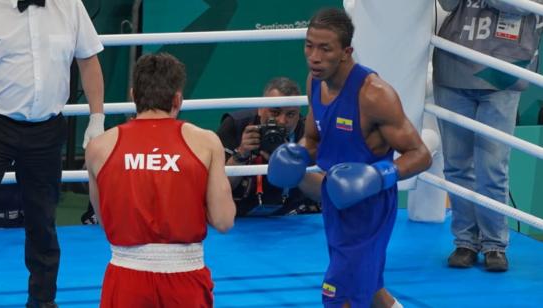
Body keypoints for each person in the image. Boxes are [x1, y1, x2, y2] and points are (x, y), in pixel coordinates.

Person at [267, 8, 432, 308]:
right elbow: (315, 138)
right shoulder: (315, 81)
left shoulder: (374, 95)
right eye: (309, 45)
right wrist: (300, 152)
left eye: (325, 48)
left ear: (346, 52)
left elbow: (420, 155)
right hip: (334, 199)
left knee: (337, 293)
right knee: (369, 290)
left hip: (370, 207)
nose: (314, 56)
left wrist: (377, 175)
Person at [86, 53, 236, 307]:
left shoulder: (99, 147)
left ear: (133, 95)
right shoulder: (206, 142)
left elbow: (104, 218)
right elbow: (223, 221)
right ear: (177, 99)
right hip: (185, 279)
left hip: (125, 278)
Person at [0, 0, 105, 306]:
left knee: (42, 220)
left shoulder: (69, 5)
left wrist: (97, 119)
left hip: (47, 128)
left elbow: (88, 60)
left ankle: (42, 300)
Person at [433, 0, 543, 272]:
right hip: (453, 63)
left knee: (493, 167)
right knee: (457, 165)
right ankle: (465, 242)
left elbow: (523, 5)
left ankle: (494, 244)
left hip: (504, 70)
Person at [217, 77, 320, 216]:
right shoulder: (236, 125)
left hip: (292, 215)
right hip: (241, 214)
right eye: (275, 112)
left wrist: (291, 163)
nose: (282, 121)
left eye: (290, 114)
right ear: (260, 109)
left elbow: (320, 192)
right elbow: (217, 190)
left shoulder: (307, 132)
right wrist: (240, 154)